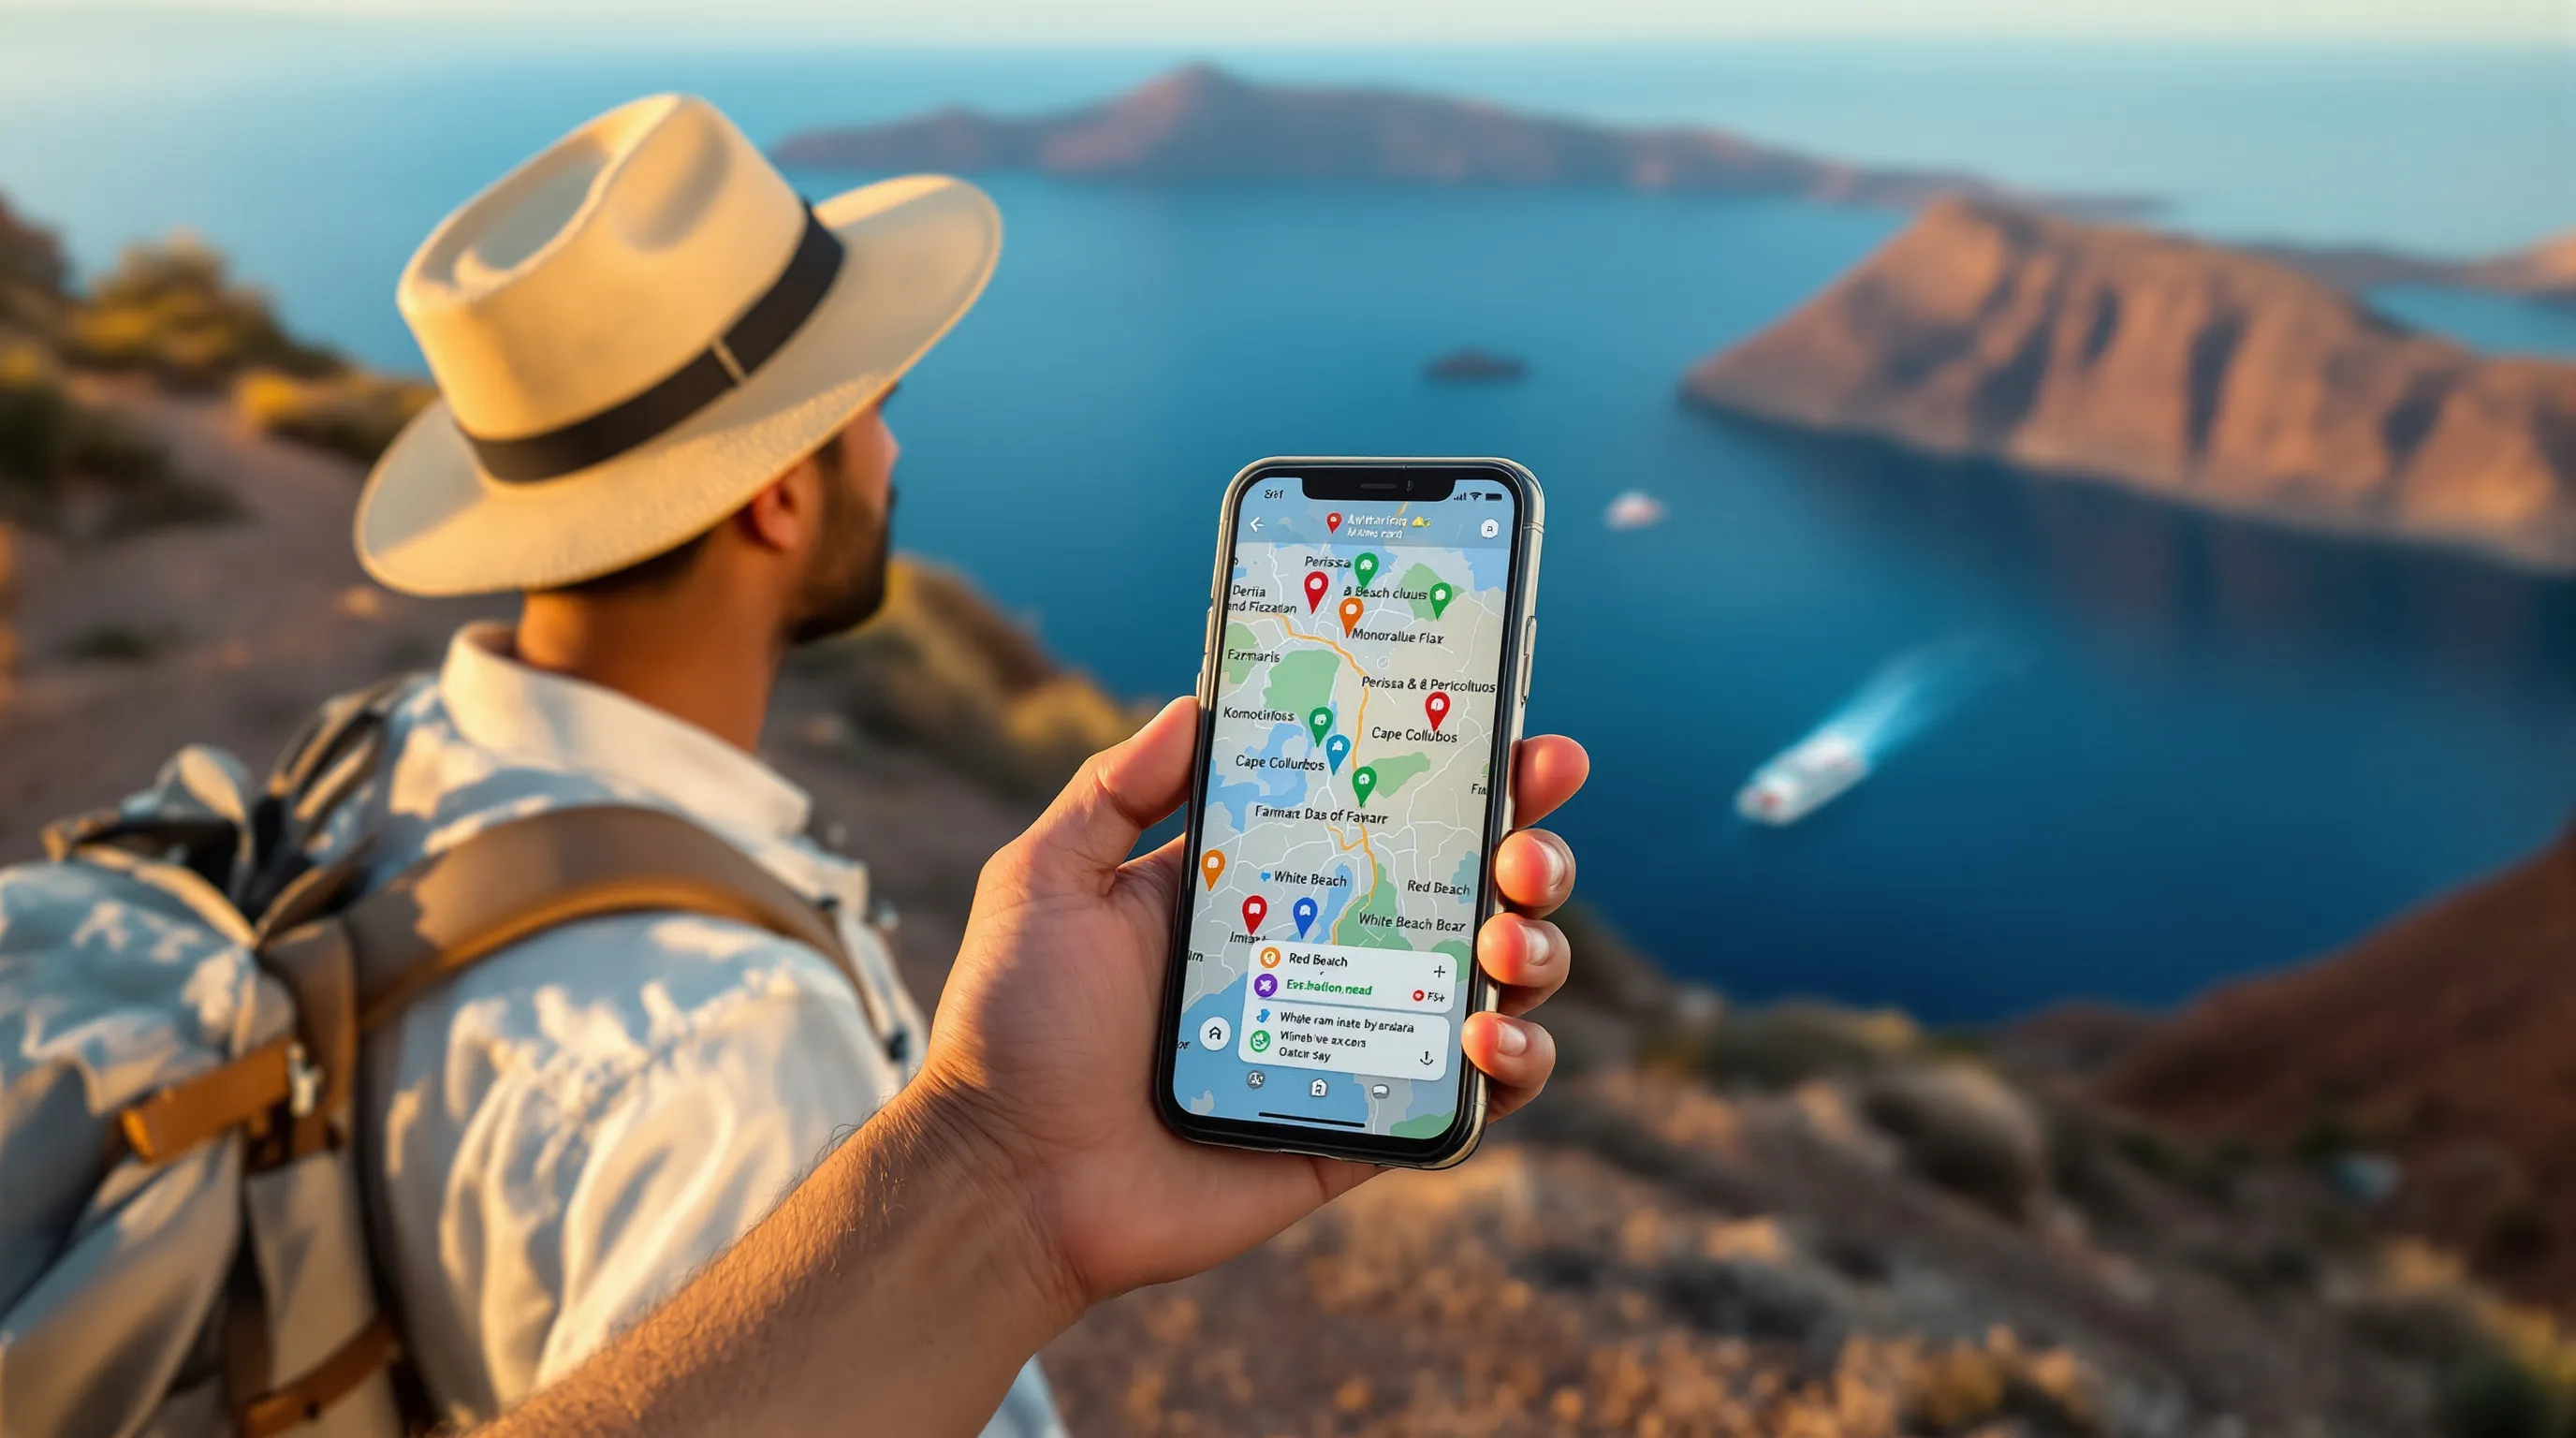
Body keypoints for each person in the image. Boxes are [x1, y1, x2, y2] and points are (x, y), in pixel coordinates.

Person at [336, 91, 1589, 1436]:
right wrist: (997, 1208)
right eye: (873, 407)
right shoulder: (724, 1050)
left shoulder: (379, 774)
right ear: (777, 495)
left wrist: (1012, 1180)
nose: (893, 446)